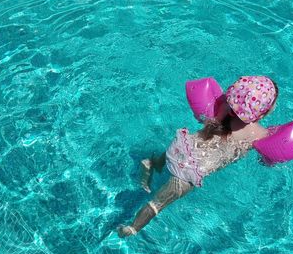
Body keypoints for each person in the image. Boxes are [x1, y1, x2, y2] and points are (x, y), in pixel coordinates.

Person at [117, 76, 279, 238]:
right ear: (261, 113)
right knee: (156, 204)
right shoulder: (258, 135)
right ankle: (132, 228)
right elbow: (268, 160)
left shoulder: (221, 105)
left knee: (170, 159)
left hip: (181, 147)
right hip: (191, 172)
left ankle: (153, 163)